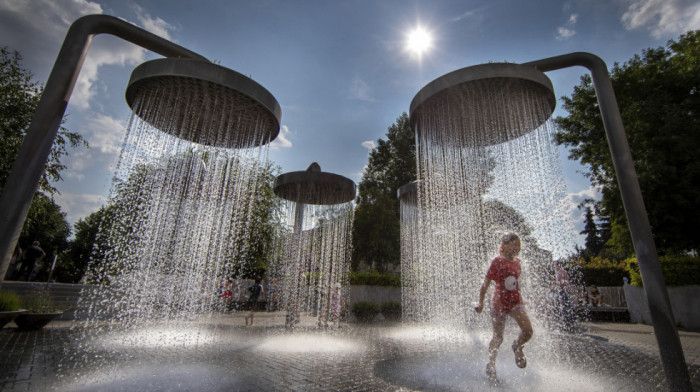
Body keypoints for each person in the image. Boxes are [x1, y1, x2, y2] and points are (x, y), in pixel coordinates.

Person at [475, 233, 533, 383]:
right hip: (499, 303)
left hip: (514, 301)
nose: (517, 248)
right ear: (504, 245)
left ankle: (517, 346)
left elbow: (514, 282)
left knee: (528, 331)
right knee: (498, 337)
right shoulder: (497, 261)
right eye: (514, 244)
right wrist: (480, 302)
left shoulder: (518, 262)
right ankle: (491, 366)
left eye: (518, 245)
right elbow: (486, 283)